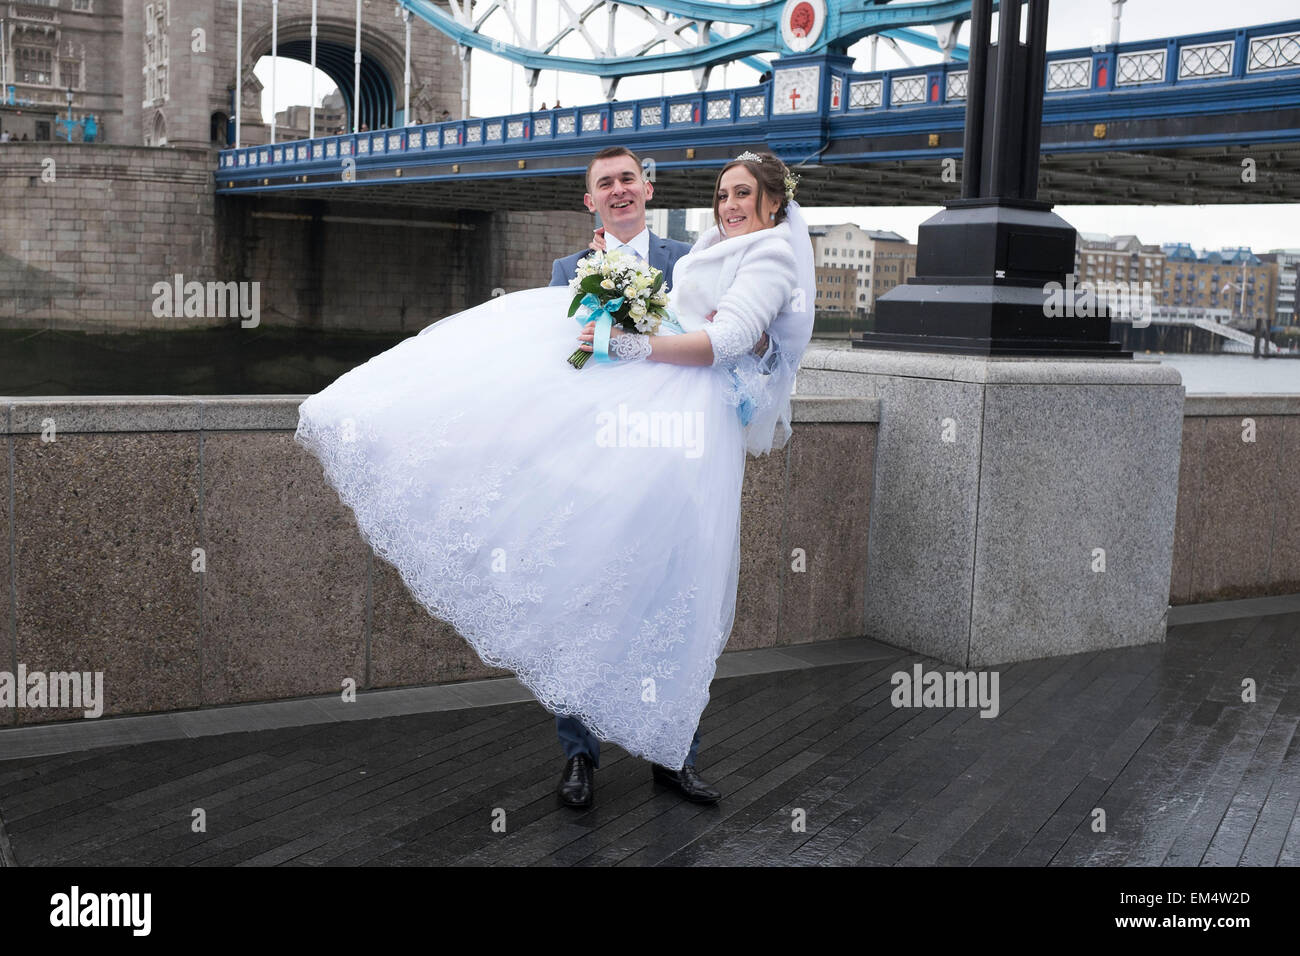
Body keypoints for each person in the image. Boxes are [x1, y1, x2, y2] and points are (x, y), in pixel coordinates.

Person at [293, 148, 815, 815]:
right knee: (579, 593)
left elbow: (751, 337)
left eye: (628, 179)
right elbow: (556, 369)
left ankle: (673, 753)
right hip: (590, 461)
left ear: (648, 189)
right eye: (606, 184)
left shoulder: (695, 256)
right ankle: (579, 757)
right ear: (591, 200)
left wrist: (752, 342)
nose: (619, 191)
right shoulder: (569, 271)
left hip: (676, 456)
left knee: (675, 592)